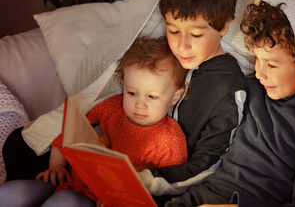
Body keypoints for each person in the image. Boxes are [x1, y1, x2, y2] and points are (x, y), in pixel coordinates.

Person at [0, 37, 188, 206]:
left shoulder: (170, 140)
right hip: (71, 181)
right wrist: (56, 166)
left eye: (152, 97)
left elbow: (168, 190)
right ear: (123, 85)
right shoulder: (112, 107)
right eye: (132, 93)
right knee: (11, 193)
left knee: (62, 202)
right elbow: (71, 125)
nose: (140, 105)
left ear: (175, 96)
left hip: (101, 200)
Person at [165, 0, 295, 206]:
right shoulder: (248, 90)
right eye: (257, 60)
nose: (259, 73)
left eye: (271, 64)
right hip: (203, 193)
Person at [137, 0, 247, 200]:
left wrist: (148, 180)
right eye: (173, 31)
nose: (182, 46)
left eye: (196, 35)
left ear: (225, 25)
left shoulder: (227, 90)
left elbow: (208, 164)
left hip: (163, 184)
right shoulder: (167, 56)